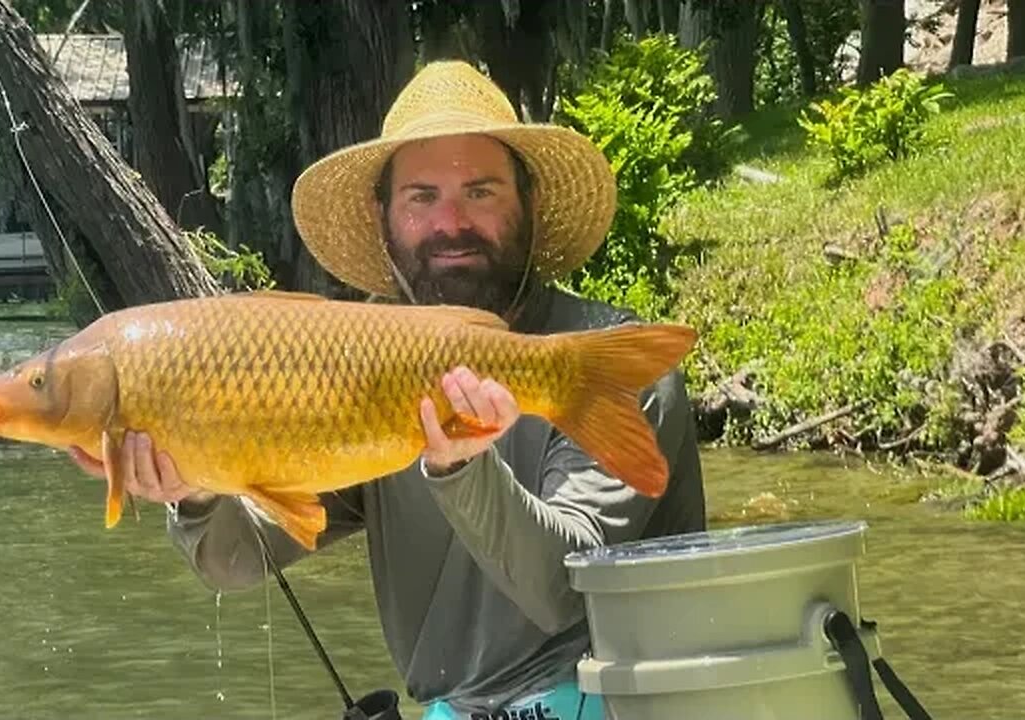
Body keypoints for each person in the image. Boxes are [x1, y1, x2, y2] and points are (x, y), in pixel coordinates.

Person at [68, 60, 706, 719]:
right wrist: (197, 490)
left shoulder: (600, 363)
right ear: (384, 218)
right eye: (421, 197)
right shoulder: (360, 367)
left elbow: (563, 591)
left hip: (616, 700)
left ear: (531, 204)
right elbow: (235, 562)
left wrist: (457, 461)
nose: (450, 223)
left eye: (481, 192)